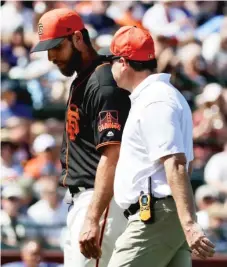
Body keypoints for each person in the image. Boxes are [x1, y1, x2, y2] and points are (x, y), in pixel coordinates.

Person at [106, 26, 215, 267]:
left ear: (123, 62)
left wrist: (188, 224)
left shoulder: (155, 100)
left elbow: (175, 163)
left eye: (111, 60)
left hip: (157, 214)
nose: (110, 67)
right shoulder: (160, 95)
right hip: (163, 213)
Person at [31, 8, 130, 267]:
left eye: (56, 47)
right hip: (83, 200)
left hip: (99, 199)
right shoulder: (85, 79)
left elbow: (113, 154)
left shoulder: (103, 83)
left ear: (77, 38)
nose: (51, 56)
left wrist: (92, 216)